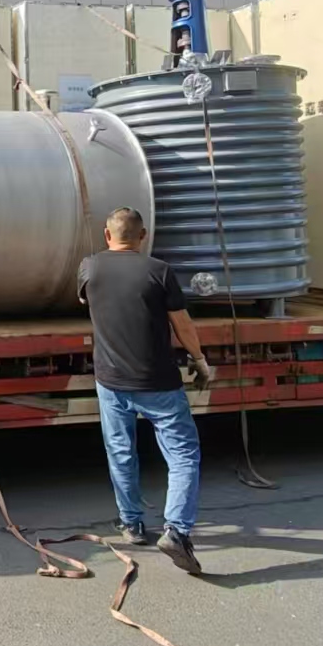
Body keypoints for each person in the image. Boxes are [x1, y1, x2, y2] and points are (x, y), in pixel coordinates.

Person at [76, 207, 214, 574]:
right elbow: (182, 325)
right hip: (159, 381)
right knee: (183, 455)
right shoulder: (159, 271)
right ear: (143, 236)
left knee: (121, 450)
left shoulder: (89, 267)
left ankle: (132, 524)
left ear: (107, 235)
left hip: (111, 380)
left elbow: (87, 300)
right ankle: (177, 531)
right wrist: (199, 359)